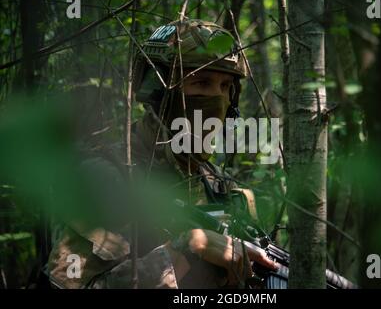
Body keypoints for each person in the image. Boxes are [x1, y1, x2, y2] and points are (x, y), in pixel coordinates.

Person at [47, 19, 278, 289]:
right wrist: (185, 249)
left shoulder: (223, 188)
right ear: (156, 90)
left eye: (226, 87)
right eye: (202, 82)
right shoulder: (104, 177)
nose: (218, 100)